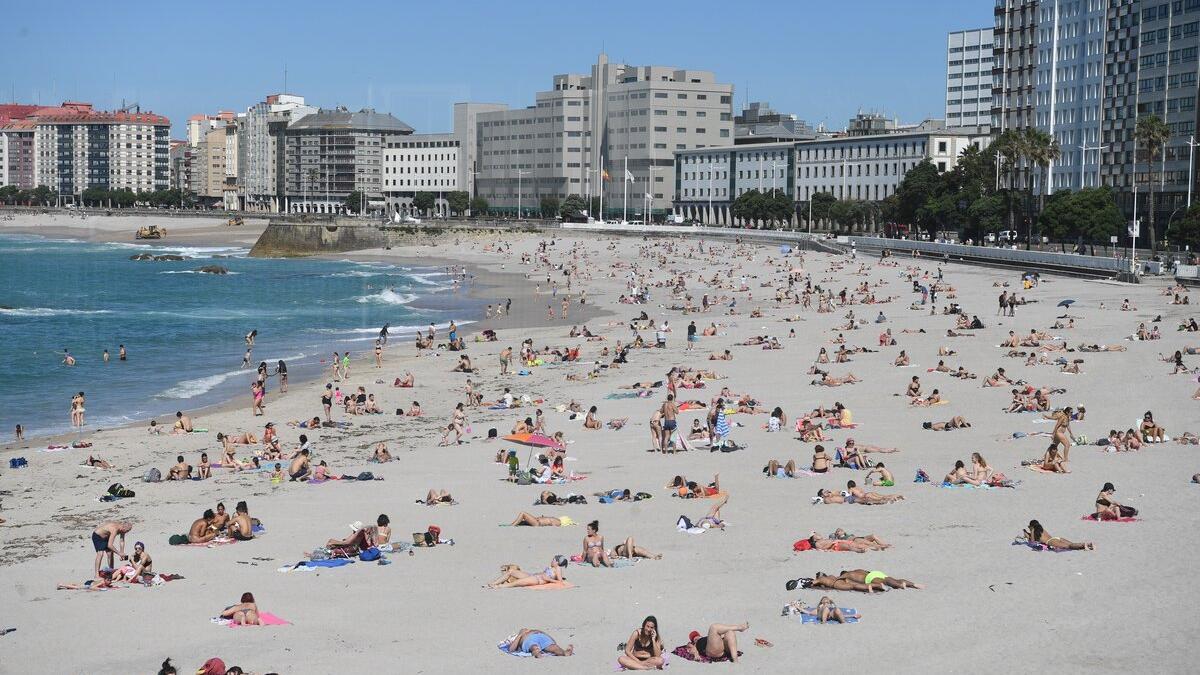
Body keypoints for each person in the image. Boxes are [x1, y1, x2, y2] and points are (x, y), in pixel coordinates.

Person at [487, 556, 569, 588]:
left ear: (557, 562)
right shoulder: (552, 567)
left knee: (518, 582)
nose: (552, 560)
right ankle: (494, 583)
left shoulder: (558, 569)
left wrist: (548, 579)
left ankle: (499, 587)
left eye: (553, 560)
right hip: (533, 575)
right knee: (511, 571)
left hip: (538, 579)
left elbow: (560, 581)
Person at [685, 623, 749, 663]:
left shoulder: (708, 638)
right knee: (713, 627)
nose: (696, 639)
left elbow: (721, 637)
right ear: (692, 641)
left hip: (722, 649)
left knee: (730, 632)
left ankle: (735, 660)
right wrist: (696, 655)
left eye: (697, 637)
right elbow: (692, 649)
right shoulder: (694, 644)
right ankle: (738, 628)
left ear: (700, 635)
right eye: (695, 639)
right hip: (711, 651)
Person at [1022, 519, 1093, 550]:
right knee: (1072, 545)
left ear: (1032, 526)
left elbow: (1032, 542)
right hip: (1056, 538)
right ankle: (1086, 545)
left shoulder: (1034, 531)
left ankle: (1084, 545)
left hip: (1051, 542)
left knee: (1070, 546)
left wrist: (1031, 530)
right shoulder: (1041, 529)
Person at [504, 628, 573, 658]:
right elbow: (511, 649)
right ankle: (536, 652)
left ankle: (565, 652)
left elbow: (546, 635)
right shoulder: (518, 636)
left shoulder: (533, 631)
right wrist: (520, 634)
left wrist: (552, 641)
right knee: (533, 646)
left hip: (542, 636)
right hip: (529, 639)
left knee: (554, 647)